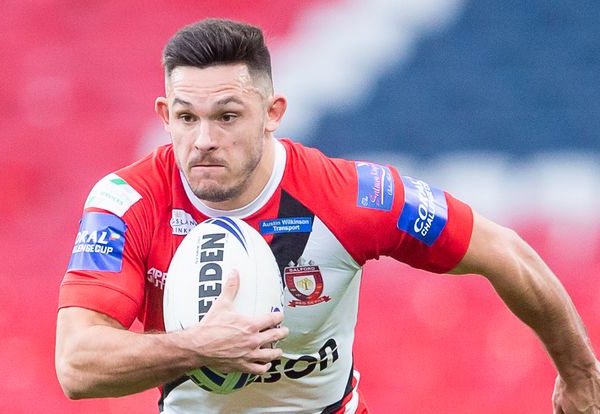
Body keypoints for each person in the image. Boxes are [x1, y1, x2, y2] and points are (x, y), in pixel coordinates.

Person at [55, 18, 600, 413]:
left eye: (227, 116)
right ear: (163, 115)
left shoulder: (351, 196)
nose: (203, 140)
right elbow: (77, 365)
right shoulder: (126, 202)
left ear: (273, 114)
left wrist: (580, 374)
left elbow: (506, 252)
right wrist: (202, 345)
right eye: (185, 117)